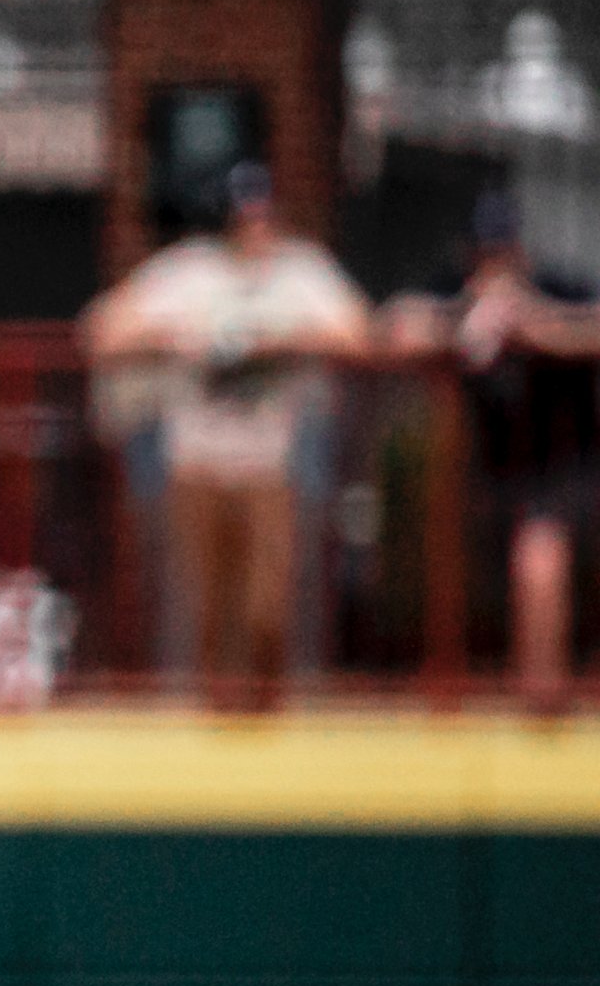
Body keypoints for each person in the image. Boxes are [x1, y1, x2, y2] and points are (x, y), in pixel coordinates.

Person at [85, 159, 369, 708]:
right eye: (243, 214)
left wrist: (277, 342)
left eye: (262, 212)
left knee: (270, 604)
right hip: (196, 461)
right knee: (199, 608)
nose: (254, 224)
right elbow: (101, 332)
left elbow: (359, 335)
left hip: (270, 462)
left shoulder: (301, 271)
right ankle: (204, 726)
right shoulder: (188, 271)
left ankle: (268, 715)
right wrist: (178, 337)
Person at [392, 190, 600, 710]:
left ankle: (541, 701)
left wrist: (536, 327)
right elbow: (393, 325)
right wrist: (463, 322)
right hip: (487, 473)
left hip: (564, 466)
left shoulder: (555, 288)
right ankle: (461, 693)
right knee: (451, 569)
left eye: (502, 252)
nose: (494, 264)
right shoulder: (456, 293)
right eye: (485, 254)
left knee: (540, 560)